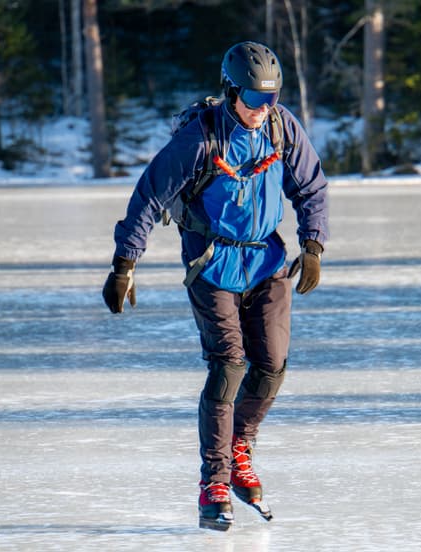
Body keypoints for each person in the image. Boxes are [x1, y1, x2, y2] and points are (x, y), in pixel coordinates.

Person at [102, 40, 328, 531]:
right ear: (230, 92)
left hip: (265, 261)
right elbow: (147, 196)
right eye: (252, 99)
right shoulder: (200, 139)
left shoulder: (281, 127)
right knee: (229, 365)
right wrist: (125, 264)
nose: (262, 109)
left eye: (270, 99)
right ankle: (215, 483)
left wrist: (312, 245)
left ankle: (240, 447)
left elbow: (311, 186)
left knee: (270, 366)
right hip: (212, 263)